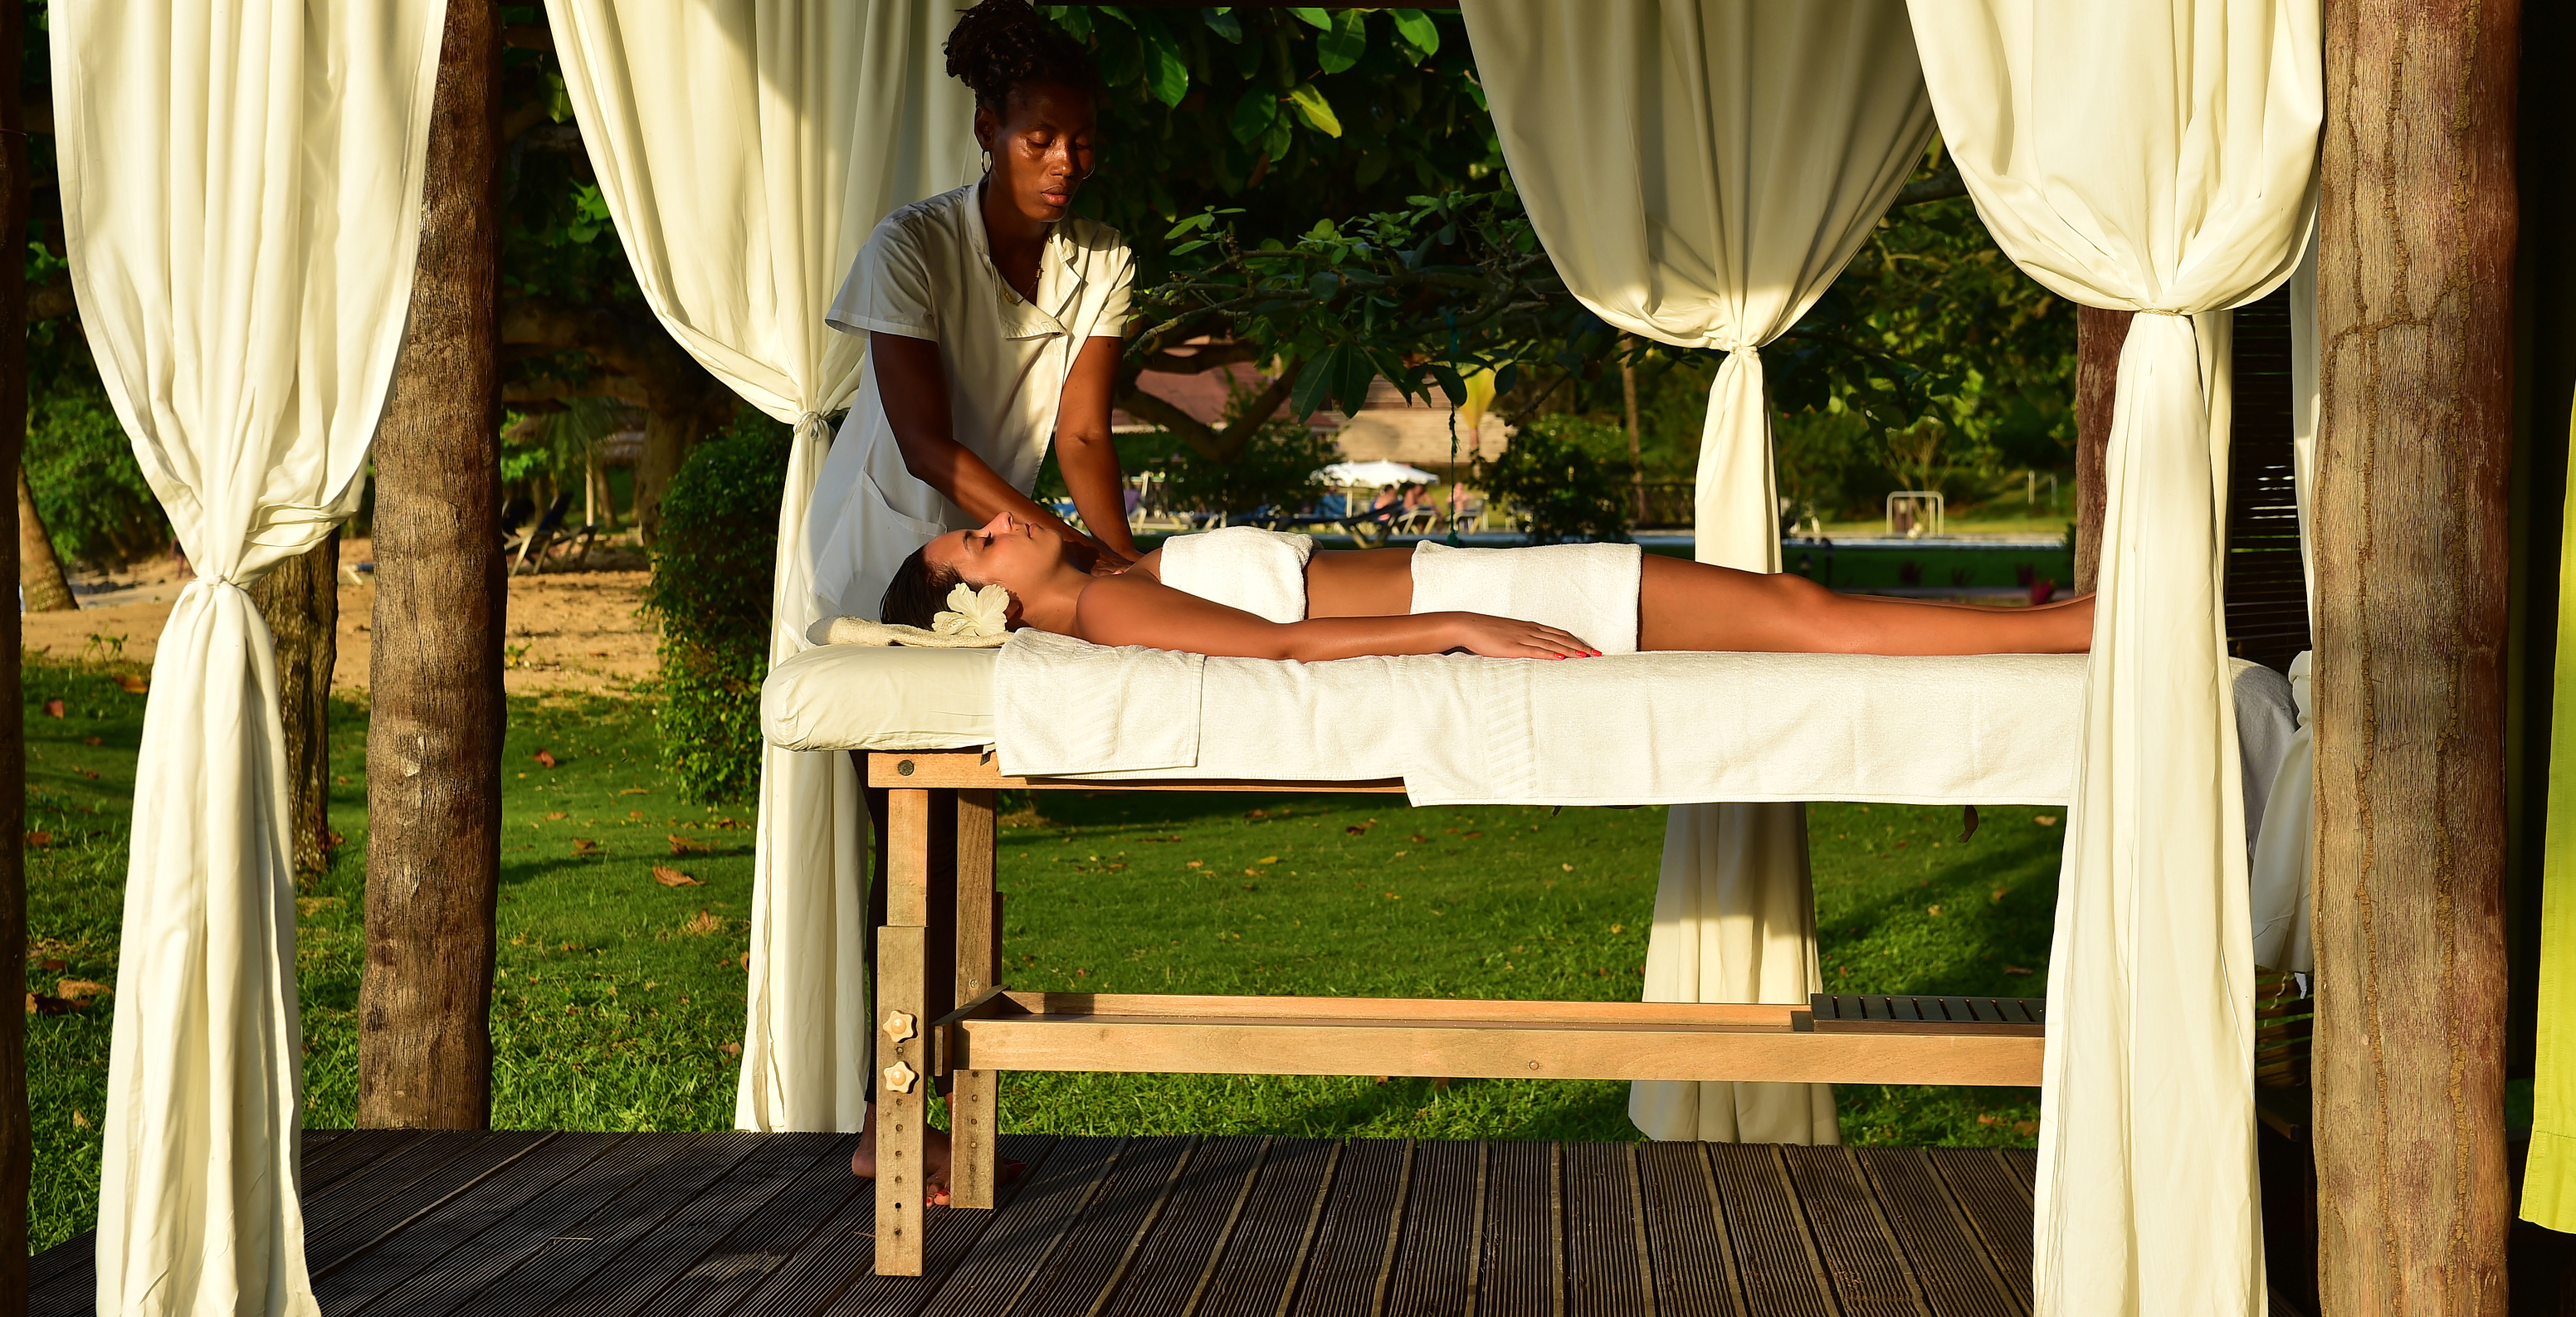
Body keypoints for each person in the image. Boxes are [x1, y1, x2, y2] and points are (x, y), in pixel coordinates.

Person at [807, 0, 1134, 1204]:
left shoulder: (1102, 256)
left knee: (964, 838)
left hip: (997, 552)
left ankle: (935, 1104)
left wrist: (1121, 555)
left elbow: (1086, 432)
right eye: (1040, 137)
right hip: (889, 558)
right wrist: (1049, 539)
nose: (1065, 161)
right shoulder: (911, 245)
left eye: (1083, 139)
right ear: (990, 129)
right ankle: (880, 1120)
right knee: (905, 850)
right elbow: (928, 439)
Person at [883, 512, 2097, 657]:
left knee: (1795, 607)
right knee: (1801, 616)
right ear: (986, 609)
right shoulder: (1107, 607)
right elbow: (1288, 650)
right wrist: (1459, 621)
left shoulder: (1111, 573)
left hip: (1495, 576)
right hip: (1498, 592)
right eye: (975, 550)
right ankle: (2077, 634)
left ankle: (2052, 623)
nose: (997, 523)